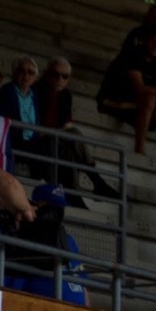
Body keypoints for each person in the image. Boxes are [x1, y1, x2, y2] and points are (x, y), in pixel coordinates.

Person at [27, 57, 121, 203]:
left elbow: (66, 125)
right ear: (46, 74)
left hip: (56, 138)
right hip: (37, 140)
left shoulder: (65, 95)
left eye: (64, 76)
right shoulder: (35, 91)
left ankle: (76, 195)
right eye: (55, 74)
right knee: (74, 136)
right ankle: (96, 184)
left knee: (71, 150)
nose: (60, 79)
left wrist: (57, 133)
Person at [96, 24, 156, 160]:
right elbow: (140, 88)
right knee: (150, 98)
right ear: (145, 41)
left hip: (142, 108)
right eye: (153, 42)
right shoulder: (132, 57)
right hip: (119, 102)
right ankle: (139, 150)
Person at [0, 57, 40, 167]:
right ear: (14, 73)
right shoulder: (7, 91)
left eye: (31, 72)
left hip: (31, 141)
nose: (26, 76)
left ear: (35, 78)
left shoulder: (34, 95)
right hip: (13, 139)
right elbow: (0, 119)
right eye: (21, 71)